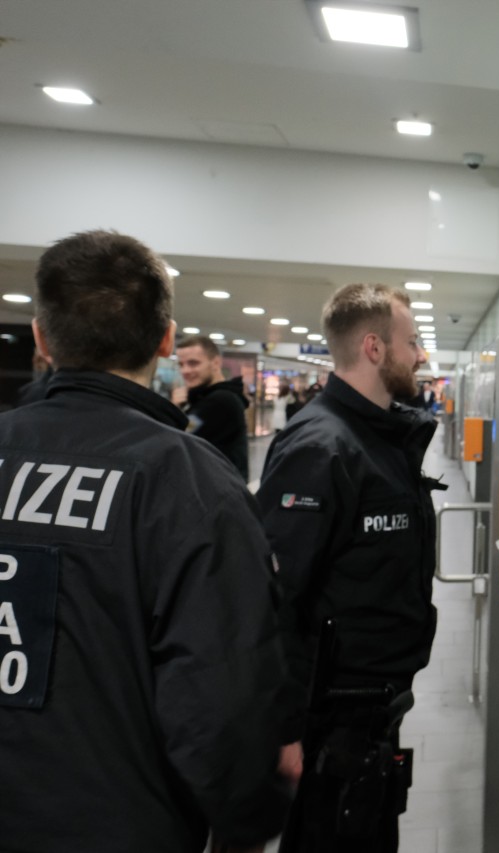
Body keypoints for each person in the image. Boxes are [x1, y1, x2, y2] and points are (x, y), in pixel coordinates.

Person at [0, 230, 296, 853]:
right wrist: (249, 816)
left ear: (41, 338)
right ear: (165, 340)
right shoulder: (188, 484)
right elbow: (221, 690)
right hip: (120, 821)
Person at [256, 283, 442, 853]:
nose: (421, 356)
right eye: (411, 342)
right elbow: (275, 600)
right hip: (326, 723)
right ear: (374, 348)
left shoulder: (381, 440)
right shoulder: (323, 447)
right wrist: (283, 731)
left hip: (371, 715)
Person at [174, 334, 250, 480]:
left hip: (217, 494)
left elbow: (176, 439)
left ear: (215, 363)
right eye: (181, 365)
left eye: (193, 363)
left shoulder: (220, 401)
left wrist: (174, 410)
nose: (185, 371)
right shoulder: (206, 397)